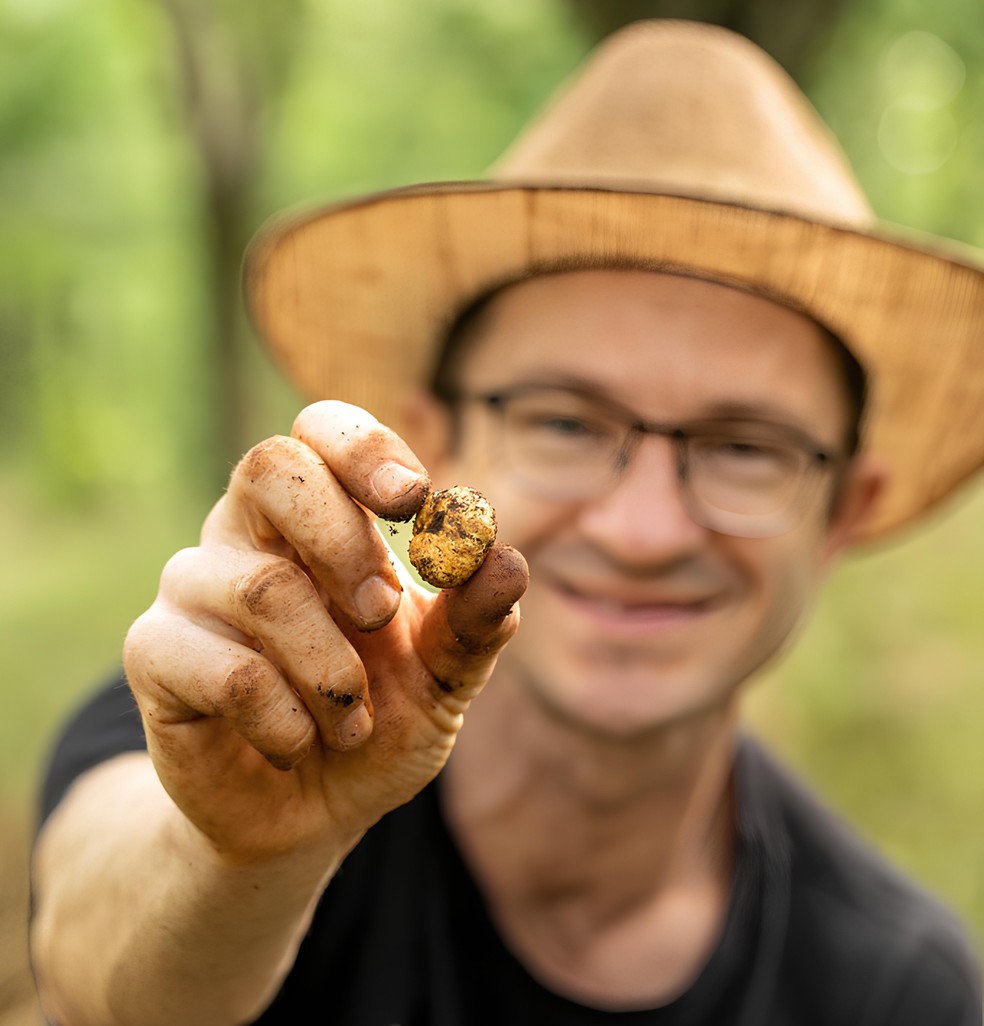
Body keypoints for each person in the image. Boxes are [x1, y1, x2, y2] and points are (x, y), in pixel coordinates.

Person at [30, 19, 984, 1026]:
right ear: (430, 445)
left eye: (745, 448)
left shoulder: (893, 990)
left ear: (847, 510)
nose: (645, 529)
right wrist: (227, 860)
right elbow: (92, 956)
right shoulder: (263, 722)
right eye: (566, 421)